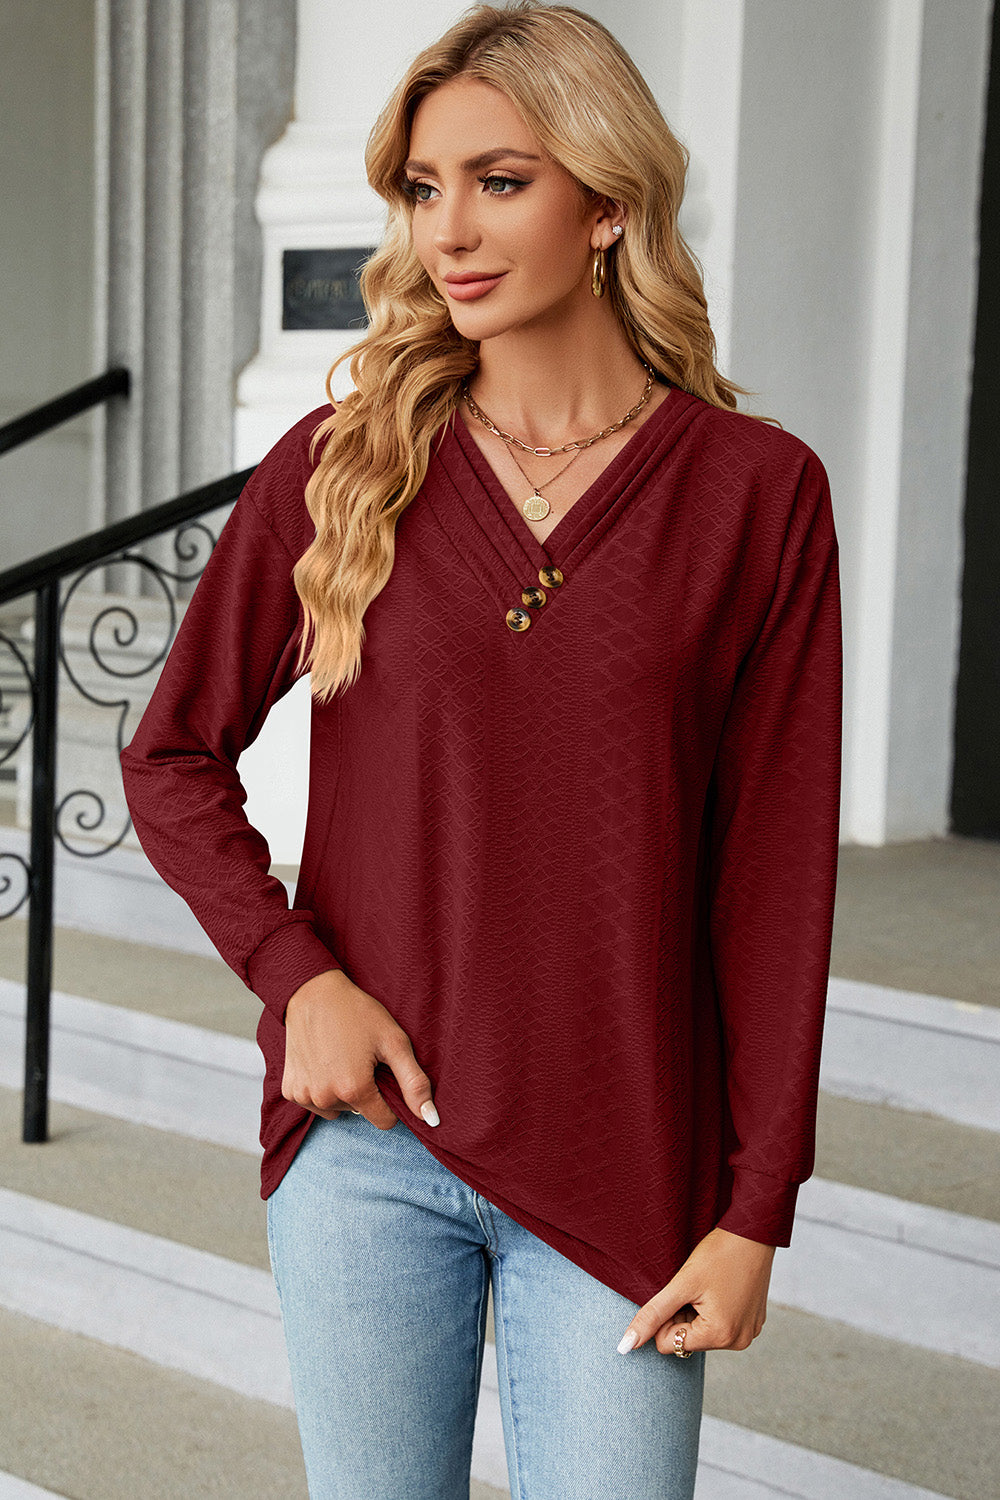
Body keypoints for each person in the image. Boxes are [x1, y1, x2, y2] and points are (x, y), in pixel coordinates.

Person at [121, 3, 843, 1496]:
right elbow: (172, 753)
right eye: (423, 186)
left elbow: (774, 879)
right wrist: (296, 978)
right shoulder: (343, 470)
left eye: (501, 182)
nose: (448, 229)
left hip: (628, 1157)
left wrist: (757, 1202)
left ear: (610, 205)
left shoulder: (754, 496)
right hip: (366, 1149)